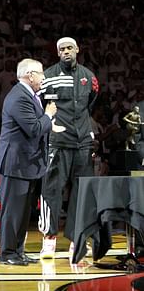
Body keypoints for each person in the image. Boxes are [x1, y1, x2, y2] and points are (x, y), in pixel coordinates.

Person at [37, 37, 99, 259]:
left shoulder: (89, 77)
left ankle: (78, 239)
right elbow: (41, 104)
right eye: (61, 49)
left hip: (82, 142)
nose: (66, 52)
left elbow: (92, 102)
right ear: (57, 52)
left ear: (77, 50)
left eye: (69, 48)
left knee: (82, 192)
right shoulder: (48, 76)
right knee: (51, 190)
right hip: (58, 141)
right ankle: (49, 239)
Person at [0, 58, 57, 266]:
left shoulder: (29, 96)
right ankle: (7, 253)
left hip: (26, 164)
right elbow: (33, 129)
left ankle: (18, 251)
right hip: (15, 164)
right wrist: (48, 116)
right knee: (13, 212)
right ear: (30, 75)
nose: (43, 78)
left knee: (22, 213)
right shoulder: (19, 97)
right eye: (41, 73)